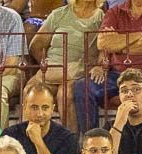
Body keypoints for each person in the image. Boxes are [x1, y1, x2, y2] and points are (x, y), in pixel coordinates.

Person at [71, 0, 142, 133]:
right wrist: (140, 34)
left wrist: (118, 45)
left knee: (138, 90)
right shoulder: (115, 11)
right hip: (118, 73)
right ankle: (93, 138)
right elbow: (103, 43)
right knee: (82, 86)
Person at [28, 0, 104, 134]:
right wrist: (46, 64)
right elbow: (36, 45)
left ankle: (70, 144)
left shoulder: (101, 17)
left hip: (78, 70)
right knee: (30, 91)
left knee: (66, 95)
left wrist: (98, 65)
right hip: (53, 67)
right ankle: (28, 141)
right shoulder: (59, 14)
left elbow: (104, 48)